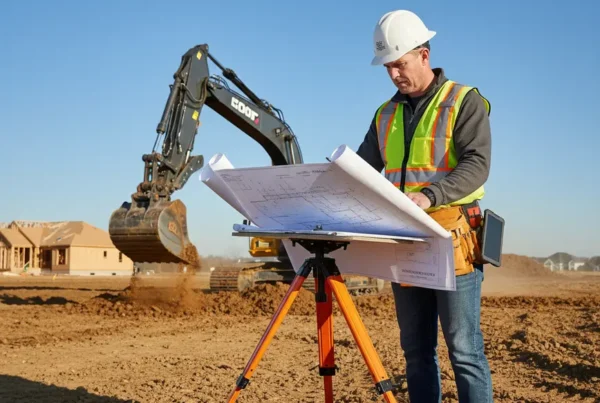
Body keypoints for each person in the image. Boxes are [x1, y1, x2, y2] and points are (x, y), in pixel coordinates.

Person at [356, 9, 494, 403]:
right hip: (404, 239)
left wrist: (430, 194)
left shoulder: (463, 101)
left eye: (400, 64)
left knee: (464, 351)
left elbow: (477, 165)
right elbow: (364, 170)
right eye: (388, 67)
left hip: (453, 239)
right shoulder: (385, 114)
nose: (395, 74)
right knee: (415, 352)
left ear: (424, 54)